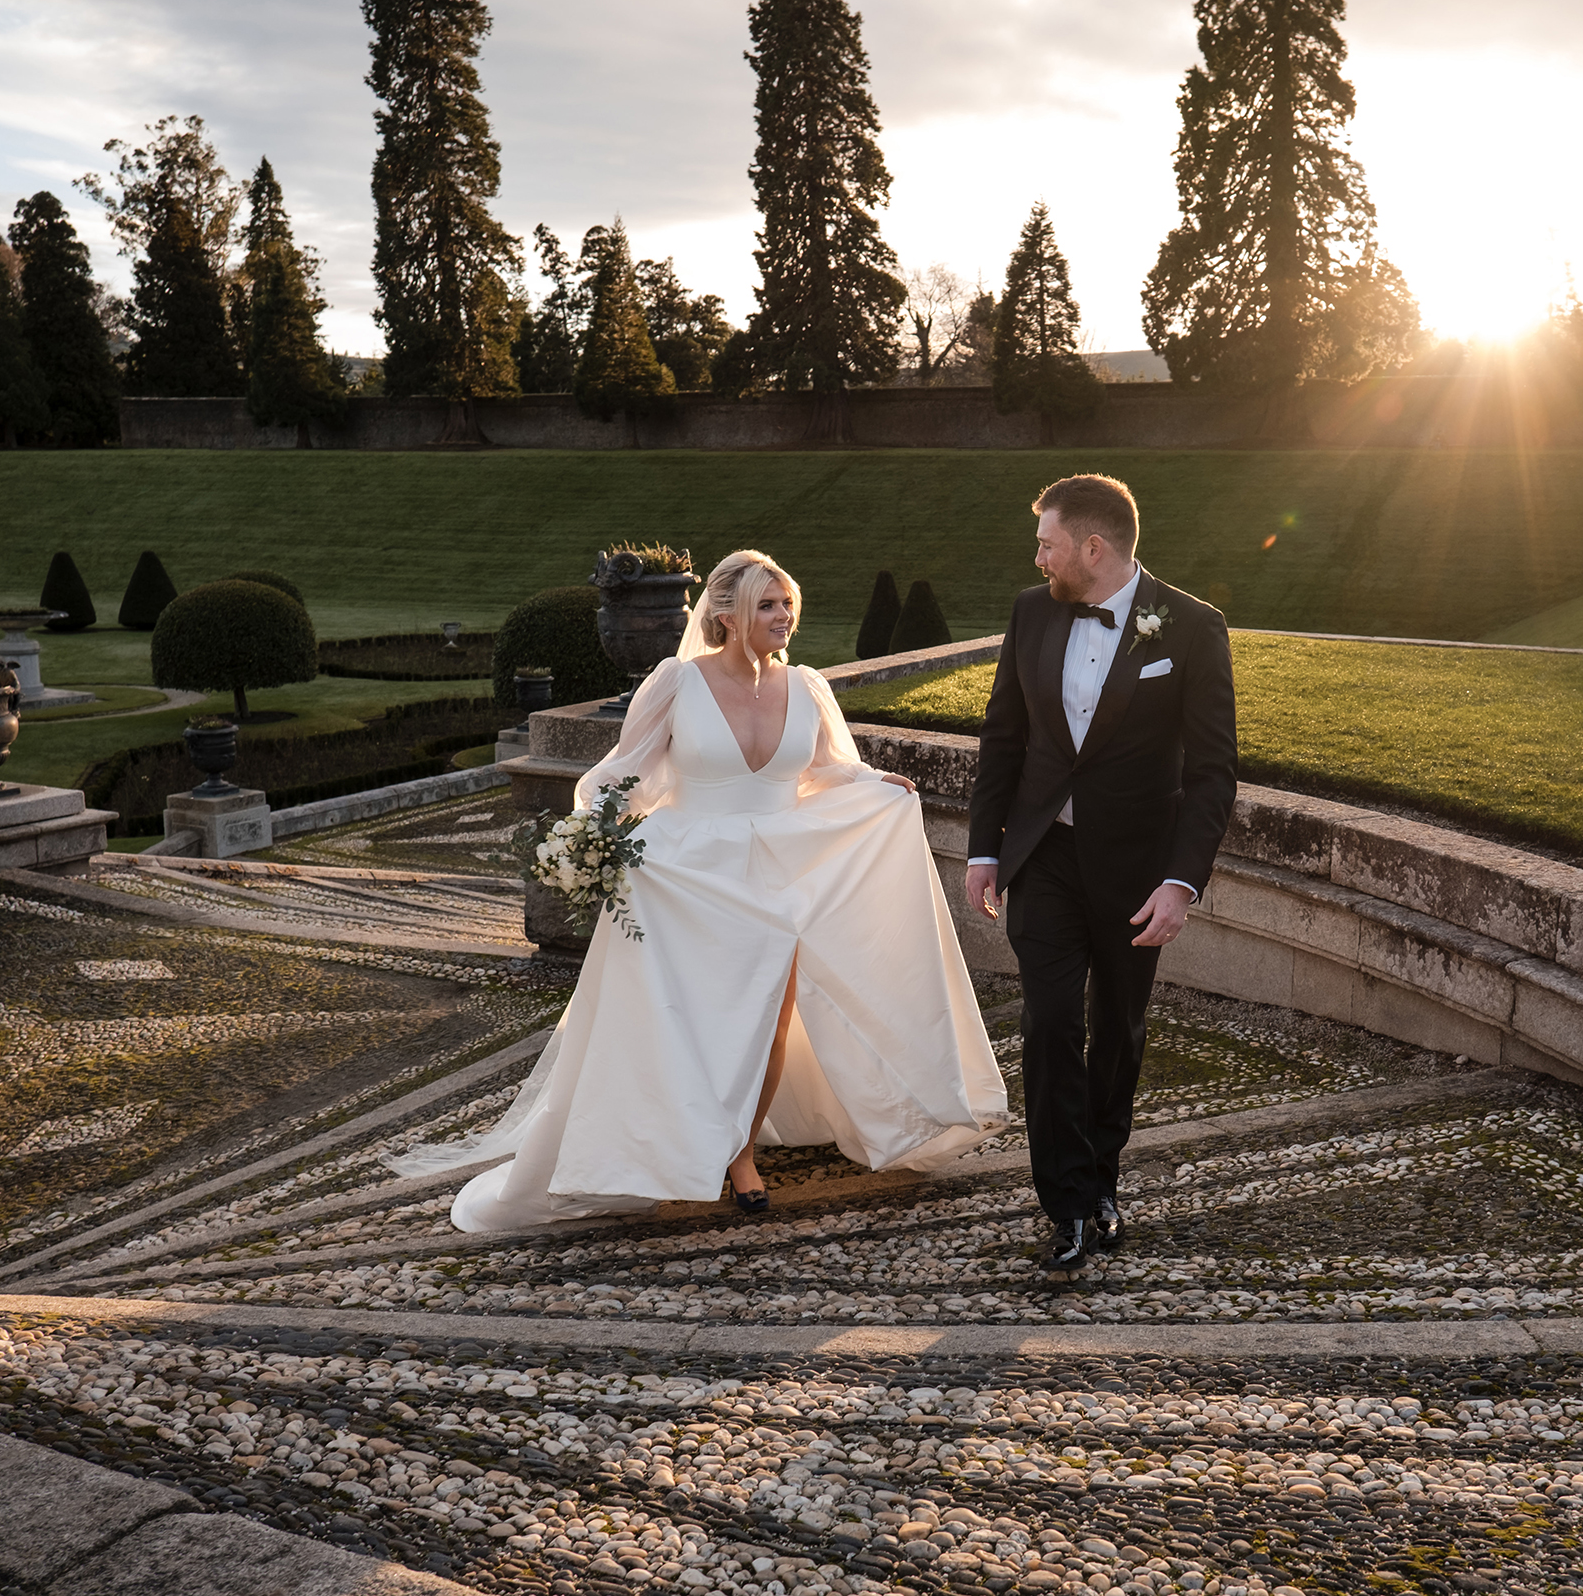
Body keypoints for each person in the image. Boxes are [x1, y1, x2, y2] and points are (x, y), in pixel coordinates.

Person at [393, 549, 1008, 1228]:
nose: (784, 615)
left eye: (786, 602)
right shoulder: (675, 682)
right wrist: (592, 835)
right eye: (767, 604)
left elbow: (831, 769)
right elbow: (621, 772)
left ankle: (740, 1151)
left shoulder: (806, 686)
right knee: (693, 1017)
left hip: (783, 873)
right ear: (724, 613)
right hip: (687, 875)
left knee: (772, 1013)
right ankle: (675, 1143)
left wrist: (876, 785)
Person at [964, 474, 1238, 1272]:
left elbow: (1214, 772)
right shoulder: (1030, 611)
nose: (1037, 554)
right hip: (1042, 857)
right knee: (1050, 1023)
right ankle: (1069, 1206)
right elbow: (1002, 737)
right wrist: (986, 849)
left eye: (1047, 540)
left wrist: (1181, 883)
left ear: (1093, 547)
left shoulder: (1189, 626)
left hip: (1136, 871)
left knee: (1117, 1028)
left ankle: (1103, 1181)